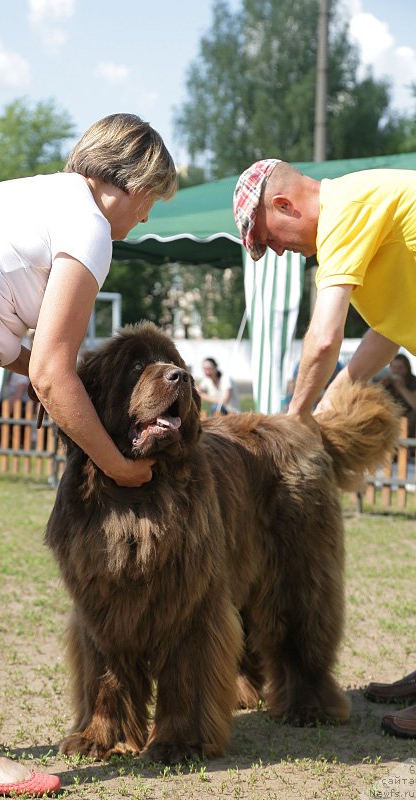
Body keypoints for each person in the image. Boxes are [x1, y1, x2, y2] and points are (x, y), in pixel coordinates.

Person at [0, 113, 176, 796]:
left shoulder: (17, 193)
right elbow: (49, 372)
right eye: (150, 200)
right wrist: (113, 462)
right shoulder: (90, 227)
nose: (140, 219)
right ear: (129, 184)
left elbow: (9, 338)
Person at [233, 157, 416, 739]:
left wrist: (287, 426)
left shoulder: (347, 211)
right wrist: (325, 406)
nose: (277, 252)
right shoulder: (367, 218)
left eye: (268, 238)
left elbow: (323, 340)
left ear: (284, 205)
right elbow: (388, 329)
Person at [379, 353, 416, 438]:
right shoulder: (387, 381)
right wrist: (381, 385)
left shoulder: (413, 381)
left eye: (400, 368)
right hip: (391, 418)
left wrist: (402, 388)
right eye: (393, 367)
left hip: (409, 420)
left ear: (407, 369)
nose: (396, 371)